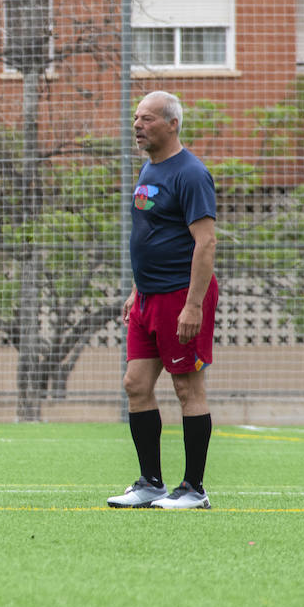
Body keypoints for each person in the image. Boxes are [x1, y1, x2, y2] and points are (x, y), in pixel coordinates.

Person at [108, 90, 218, 510]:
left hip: (180, 296)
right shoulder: (148, 168)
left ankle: (194, 489)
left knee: (188, 388)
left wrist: (193, 304)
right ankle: (151, 484)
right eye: (137, 118)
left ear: (173, 124)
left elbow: (205, 242)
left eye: (149, 119)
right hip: (149, 296)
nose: (138, 125)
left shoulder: (190, 173)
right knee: (135, 385)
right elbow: (151, 235)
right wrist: (137, 290)